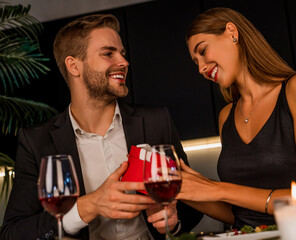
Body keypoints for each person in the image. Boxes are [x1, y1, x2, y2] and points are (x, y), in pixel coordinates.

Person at [0, 14, 202, 240]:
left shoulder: (156, 121)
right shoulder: (36, 141)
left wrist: (172, 221)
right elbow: (12, 232)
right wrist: (87, 207)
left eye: (122, 53)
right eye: (108, 53)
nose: (124, 62)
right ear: (74, 65)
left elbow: (192, 205)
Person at [176, 7, 296, 230]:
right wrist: (188, 190)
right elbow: (240, 215)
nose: (201, 68)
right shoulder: (226, 117)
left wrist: (218, 189)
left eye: (202, 51)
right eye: (195, 62)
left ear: (232, 32)